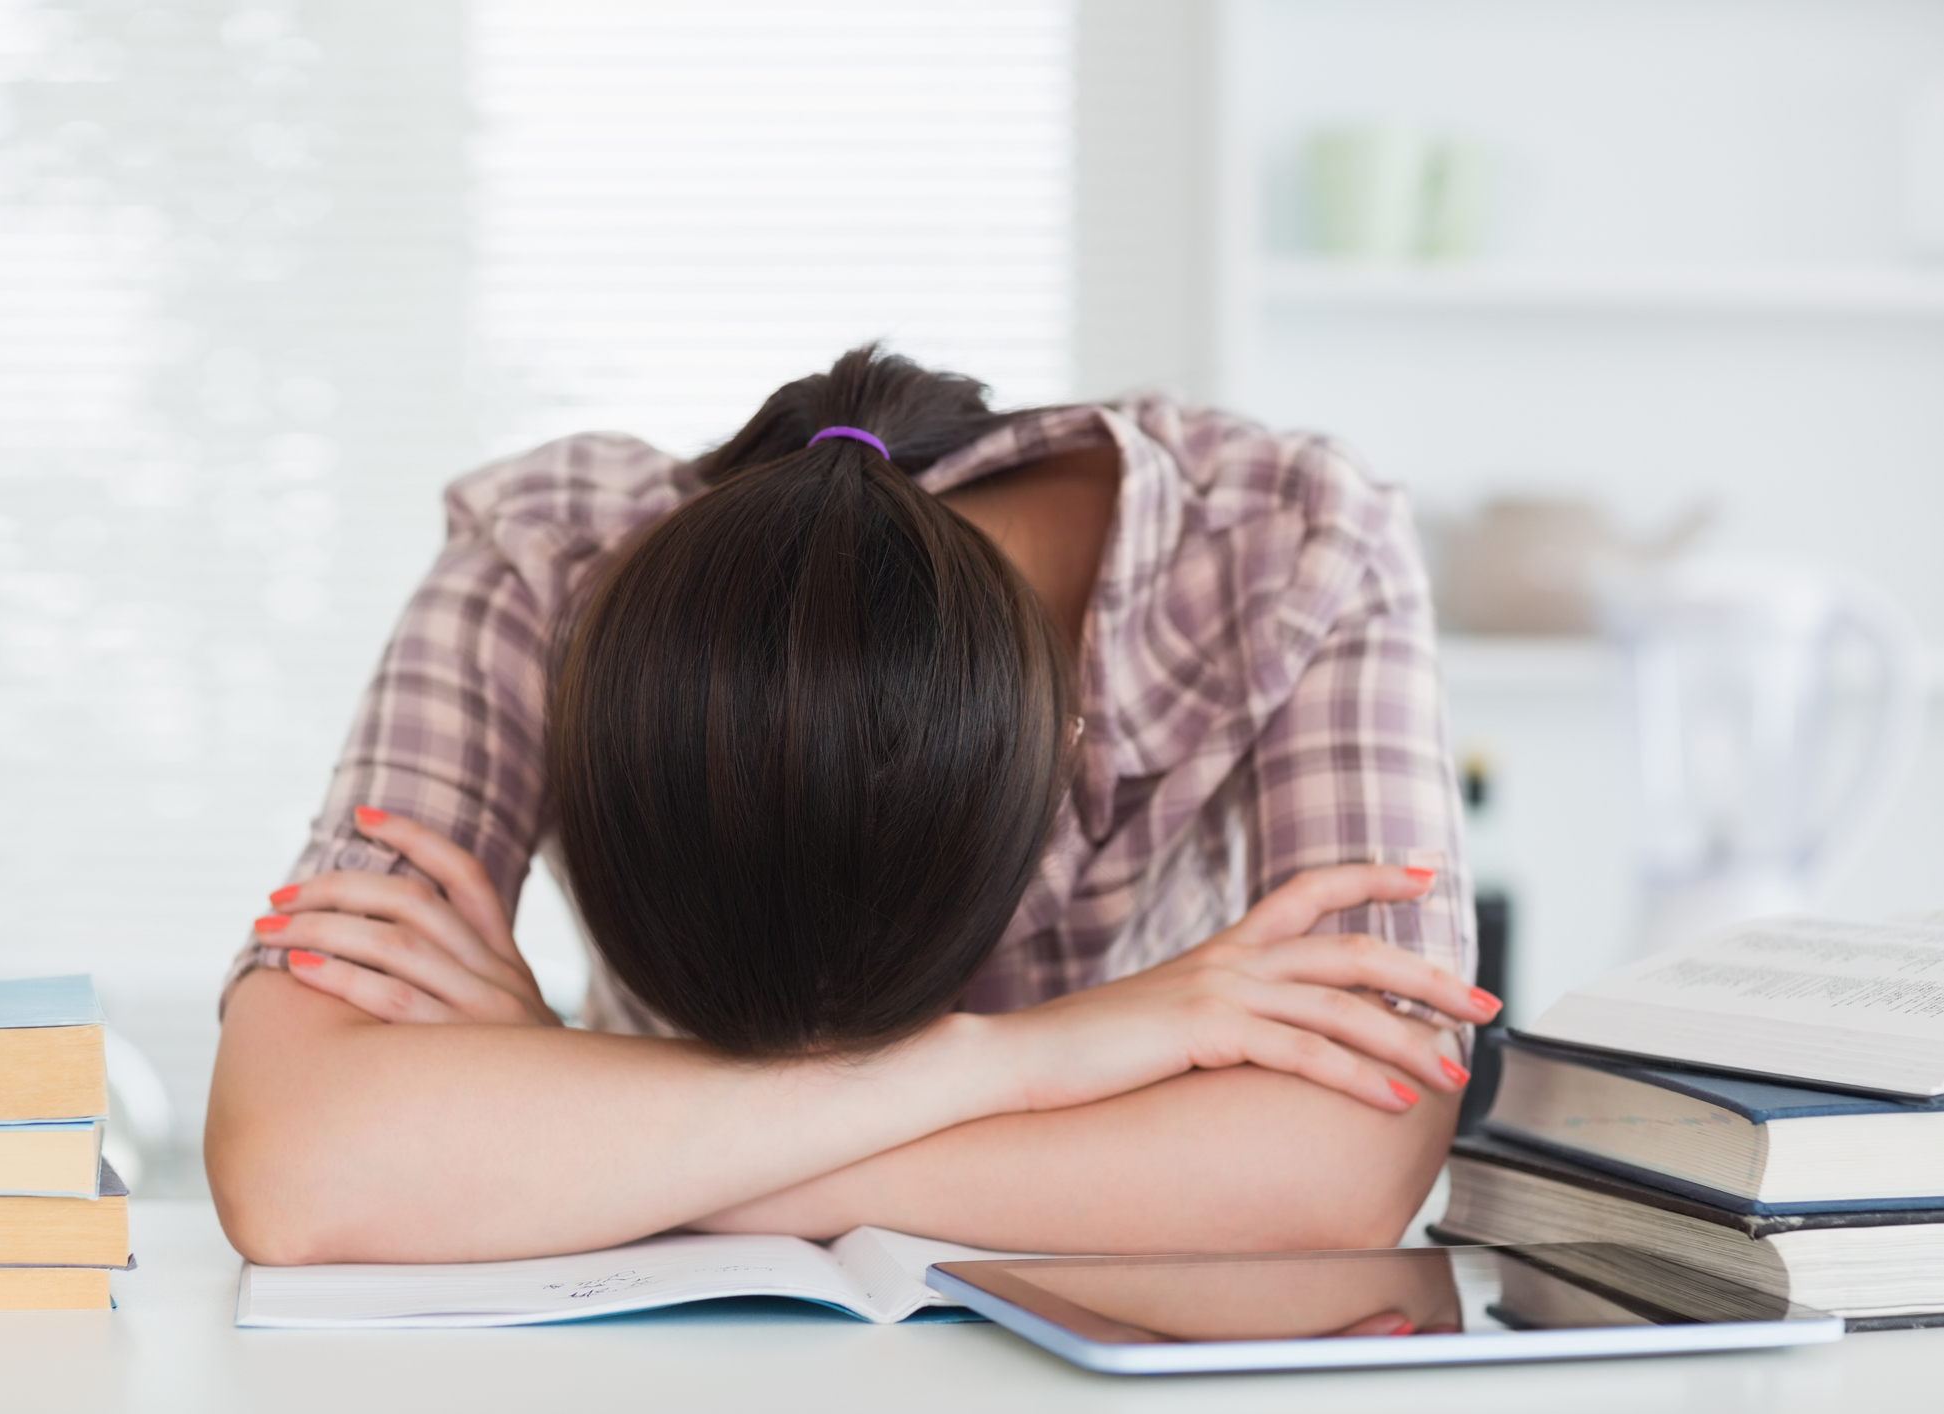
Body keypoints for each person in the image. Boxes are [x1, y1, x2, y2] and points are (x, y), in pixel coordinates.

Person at [206, 346, 1497, 1265]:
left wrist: (575, 1130)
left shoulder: (1297, 547)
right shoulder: (551, 561)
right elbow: (296, 1164)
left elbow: (1339, 1176)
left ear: (1064, 741)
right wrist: (1028, 1059)